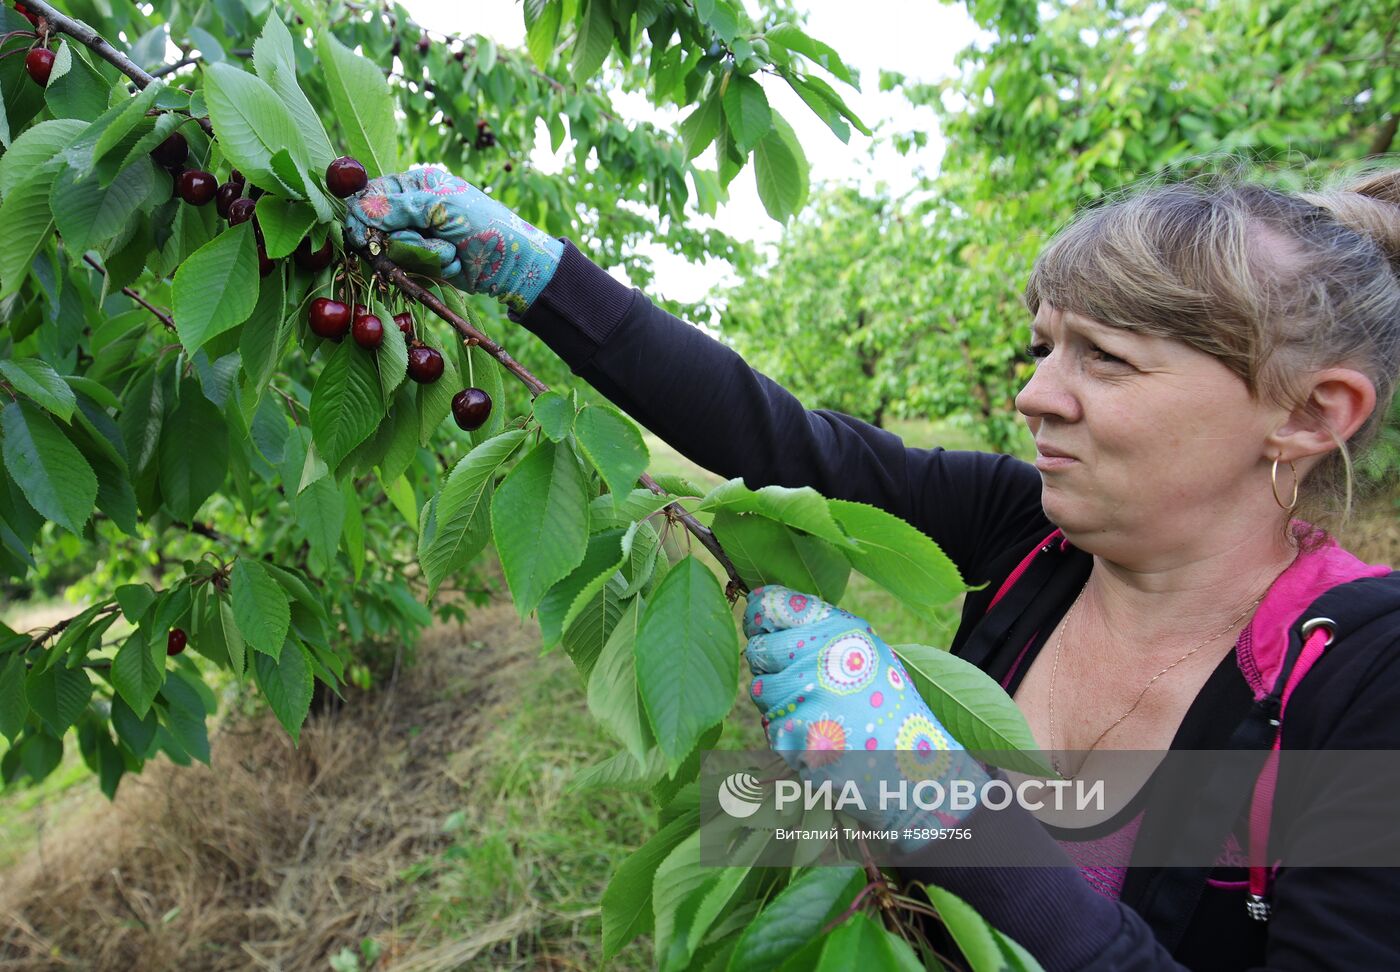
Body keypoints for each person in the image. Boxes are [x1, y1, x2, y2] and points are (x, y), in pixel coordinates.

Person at [345, 167, 1400, 969]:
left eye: (1105, 359)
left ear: (1311, 413)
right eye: (1042, 347)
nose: (1034, 395)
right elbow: (785, 444)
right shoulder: (1024, 535)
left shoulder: (1363, 678)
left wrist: (945, 813)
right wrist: (539, 276)